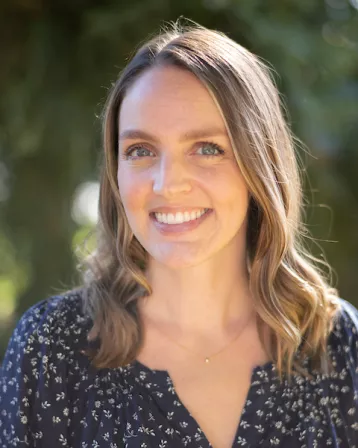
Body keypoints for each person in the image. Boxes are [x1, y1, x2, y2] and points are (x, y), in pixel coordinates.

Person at [1, 19, 357, 448]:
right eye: (140, 150)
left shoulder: (336, 342)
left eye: (207, 149)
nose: (167, 183)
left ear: (260, 166)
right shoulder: (51, 346)